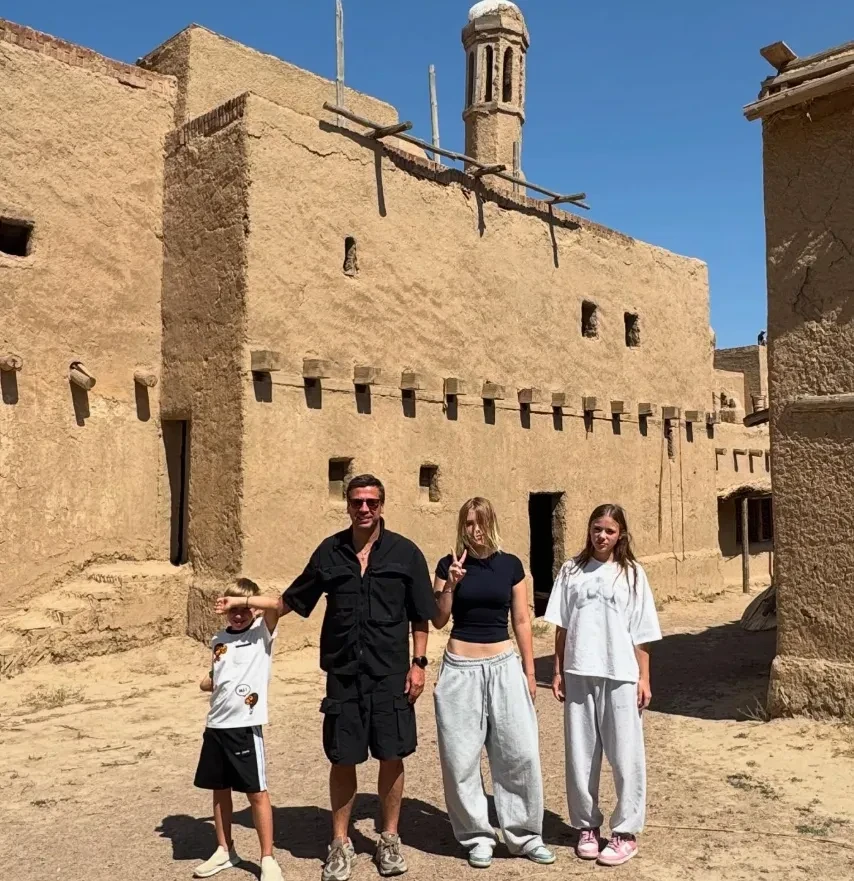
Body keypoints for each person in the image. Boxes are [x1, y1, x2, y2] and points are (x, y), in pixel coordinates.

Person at [282, 474, 437, 881]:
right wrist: (249, 611)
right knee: (343, 756)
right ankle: (340, 842)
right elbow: (295, 598)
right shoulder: (330, 551)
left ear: (382, 505)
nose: (364, 508)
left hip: (390, 673)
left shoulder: (405, 553)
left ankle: (389, 838)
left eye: (371, 502)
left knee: (392, 753)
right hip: (344, 672)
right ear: (348, 505)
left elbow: (421, 615)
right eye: (356, 502)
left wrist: (419, 664)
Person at [432, 498, 555, 869]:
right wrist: (451, 585)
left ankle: (525, 836)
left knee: (520, 753)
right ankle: (477, 837)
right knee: (460, 759)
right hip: (460, 669)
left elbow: (522, 620)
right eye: (469, 523)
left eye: (481, 522)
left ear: (492, 523)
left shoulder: (510, 565)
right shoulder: (449, 564)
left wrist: (530, 672)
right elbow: (438, 618)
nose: (475, 530)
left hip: (503, 666)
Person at [544, 504, 661, 867]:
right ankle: (587, 826)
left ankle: (625, 832)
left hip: (620, 673)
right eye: (597, 529)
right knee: (581, 755)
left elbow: (642, 632)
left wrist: (644, 677)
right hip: (580, 671)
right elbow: (562, 626)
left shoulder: (632, 574)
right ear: (589, 530)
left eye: (610, 530)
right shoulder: (571, 571)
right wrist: (558, 670)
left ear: (620, 534)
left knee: (626, 755)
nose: (602, 536)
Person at [192, 578, 286, 881]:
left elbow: (277, 604)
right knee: (219, 789)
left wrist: (242, 601)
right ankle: (225, 849)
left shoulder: (261, 633)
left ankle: (267, 858)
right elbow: (218, 674)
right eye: (232, 609)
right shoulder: (218, 638)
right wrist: (209, 681)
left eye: (243, 608)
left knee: (256, 792)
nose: (238, 615)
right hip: (216, 724)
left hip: (244, 726)